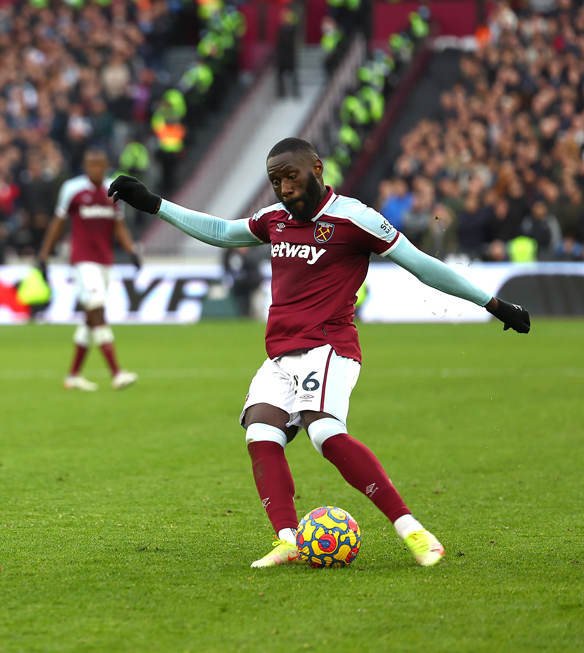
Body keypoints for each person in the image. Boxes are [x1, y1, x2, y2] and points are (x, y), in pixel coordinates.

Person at [108, 137, 530, 568]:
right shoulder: (274, 219)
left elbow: (421, 264)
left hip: (329, 345)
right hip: (281, 351)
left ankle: (414, 532)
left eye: (291, 176)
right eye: (275, 181)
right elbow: (221, 232)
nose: (284, 189)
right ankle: (288, 540)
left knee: (323, 431)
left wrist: (492, 303)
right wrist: (155, 204)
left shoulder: (355, 218)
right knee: (260, 431)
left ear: (316, 168)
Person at [37, 149, 141, 392]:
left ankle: (73, 375)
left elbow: (119, 226)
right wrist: (44, 255)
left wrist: (132, 251)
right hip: (83, 262)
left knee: (89, 318)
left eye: (99, 164)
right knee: (97, 310)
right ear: (85, 165)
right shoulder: (73, 189)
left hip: (105, 261)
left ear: (106, 165)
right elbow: (58, 223)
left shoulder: (113, 190)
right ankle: (117, 373)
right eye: (91, 164)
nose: (95, 168)